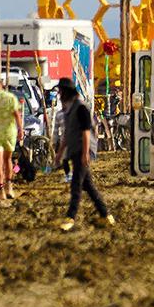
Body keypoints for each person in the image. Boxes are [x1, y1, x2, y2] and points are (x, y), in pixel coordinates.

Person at [54, 78, 114, 231]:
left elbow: (86, 132)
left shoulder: (81, 108)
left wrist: (85, 153)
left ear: (67, 92)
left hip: (82, 150)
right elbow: (67, 134)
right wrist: (60, 153)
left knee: (76, 185)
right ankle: (106, 215)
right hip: (75, 150)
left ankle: (70, 217)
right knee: (88, 185)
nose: (59, 94)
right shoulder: (69, 109)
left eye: (61, 91)